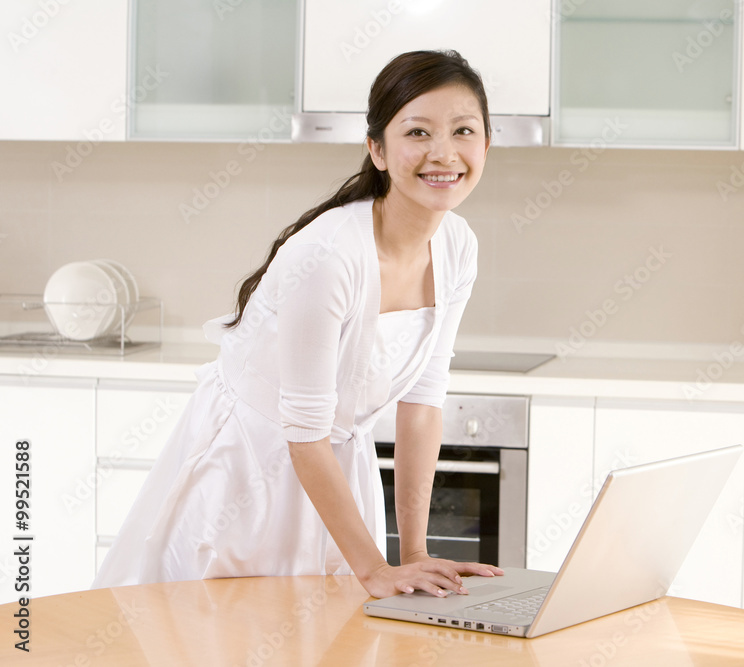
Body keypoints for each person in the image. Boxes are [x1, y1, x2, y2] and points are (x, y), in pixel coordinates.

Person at [93, 50, 502, 599]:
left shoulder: (458, 246)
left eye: (463, 131)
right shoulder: (329, 256)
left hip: (332, 474)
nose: (443, 153)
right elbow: (304, 431)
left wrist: (416, 556)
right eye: (418, 132)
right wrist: (376, 570)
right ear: (377, 150)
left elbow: (423, 402)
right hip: (248, 472)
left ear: (486, 145)